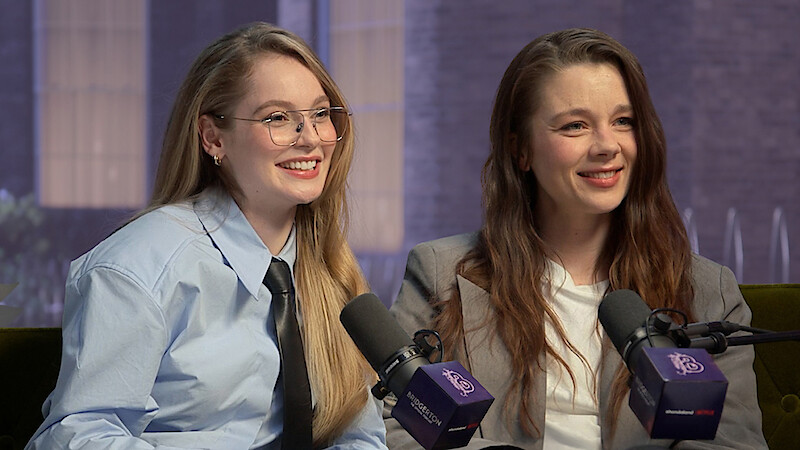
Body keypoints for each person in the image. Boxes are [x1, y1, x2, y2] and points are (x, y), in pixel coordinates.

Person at [384, 28, 767, 449]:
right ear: (520, 149)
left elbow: (732, 442)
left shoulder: (708, 290)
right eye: (575, 125)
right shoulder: (441, 272)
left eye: (623, 121)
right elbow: (399, 425)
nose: (607, 145)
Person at [27, 22, 387, 449]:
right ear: (213, 137)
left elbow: (360, 436)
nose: (310, 138)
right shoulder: (136, 270)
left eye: (321, 114)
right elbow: (77, 437)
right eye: (277, 118)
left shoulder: (328, 268)